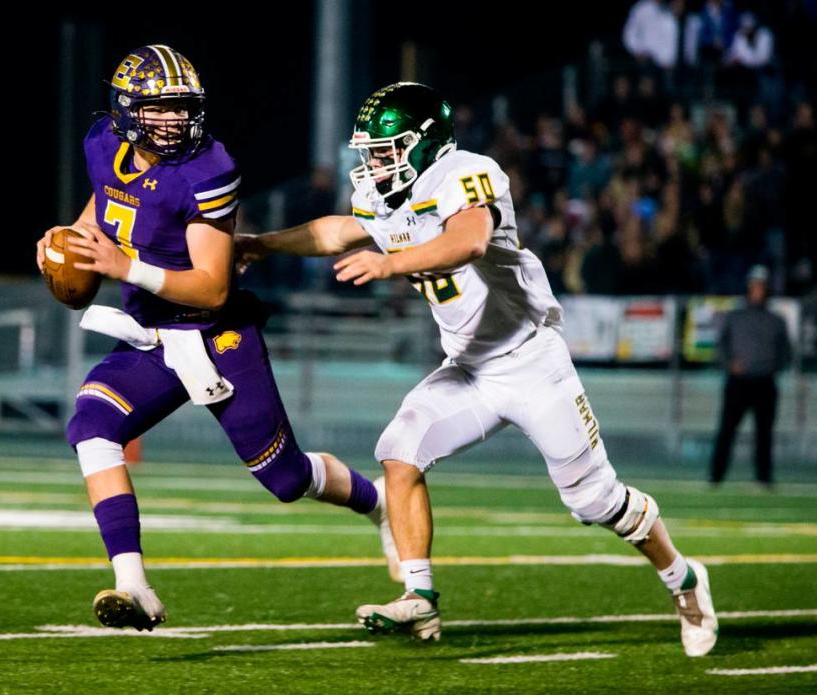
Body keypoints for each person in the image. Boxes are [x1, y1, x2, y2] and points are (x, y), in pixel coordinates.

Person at [237, 82, 718, 656]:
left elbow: (467, 242)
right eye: (370, 152)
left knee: (595, 500)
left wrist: (390, 264)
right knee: (400, 451)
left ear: (425, 145)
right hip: (469, 367)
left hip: (531, 362)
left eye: (386, 151)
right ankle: (420, 601)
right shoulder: (385, 196)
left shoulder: (467, 172)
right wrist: (262, 244)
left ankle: (683, 579)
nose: (374, 165)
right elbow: (338, 230)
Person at [35, 45, 397, 632]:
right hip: (151, 334)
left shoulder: (207, 170)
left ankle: (379, 501)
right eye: (160, 108)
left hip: (215, 335)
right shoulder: (104, 143)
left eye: (183, 108)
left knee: (284, 479)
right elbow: (103, 205)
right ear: (127, 110)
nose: (175, 120)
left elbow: (209, 289)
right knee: (91, 428)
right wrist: (66, 238)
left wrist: (123, 269)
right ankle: (133, 586)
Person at [710, 265, 792, 486]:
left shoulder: (776, 320)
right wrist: (730, 365)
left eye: (761, 286)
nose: (757, 290)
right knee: (727, 430)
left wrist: (770, 367)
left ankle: (763, 477)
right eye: (754, 285)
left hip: (765, 382)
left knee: (764, 433)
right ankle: (716, 476)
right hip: (738, 382)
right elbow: (721, 347)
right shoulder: (735, 316)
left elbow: (786, 353)